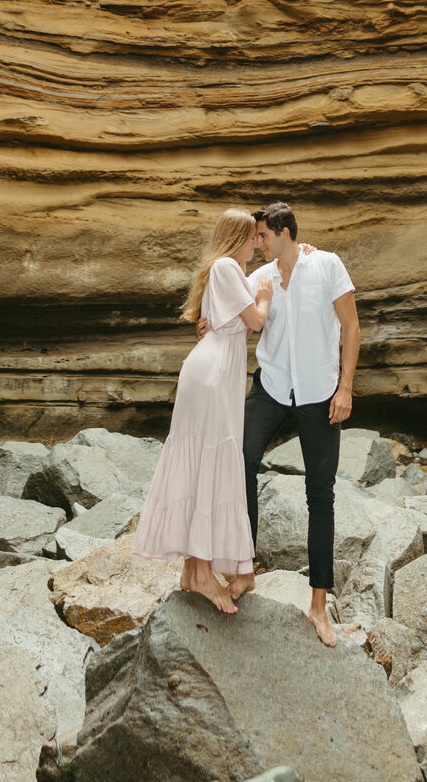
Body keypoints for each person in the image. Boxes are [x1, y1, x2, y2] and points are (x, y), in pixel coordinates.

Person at [132, 207, 273, 614]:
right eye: (251, 237)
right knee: (210, 464)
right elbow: (256, 321)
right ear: (236, 238)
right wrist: (262, 301)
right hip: (212, 378)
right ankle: (202, 572)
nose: (255, 244)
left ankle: (196, 571)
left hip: (214, 374)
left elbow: (234, 320)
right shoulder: (228, 266)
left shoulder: (225, 271)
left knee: (202, 467)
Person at [243, 200, 359, 647]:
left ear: (285, 233)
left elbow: (351, 326)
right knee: (241, 458)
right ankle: (243, 567)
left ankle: (318, 605)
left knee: (320, 494)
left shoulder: (328, 265)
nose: (257, 243)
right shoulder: (259, 278)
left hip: (319, 392)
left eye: (263, 236)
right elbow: (222, 299)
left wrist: (345, 388)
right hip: (271, 387)